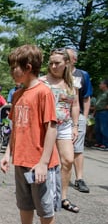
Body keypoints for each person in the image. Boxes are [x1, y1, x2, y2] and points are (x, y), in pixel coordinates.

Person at [0, 44, 62, 224]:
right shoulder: (17, 95)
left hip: (40, 163)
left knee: (44, 204)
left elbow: (52, 128)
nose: (11, 72)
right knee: (24, 202)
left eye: (13, 67)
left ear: (27, 67)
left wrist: (44, 162)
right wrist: (8, 153)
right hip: (22, 160)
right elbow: (15, 128)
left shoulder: (43, 92)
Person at [40, 48, 80, 213]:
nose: (53, 66)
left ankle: (62, 197)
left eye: (57, 63)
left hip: (64, 125)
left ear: (67, 63)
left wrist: (75, 126)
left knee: (68, 160)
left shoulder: (72, 82)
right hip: (46, 125)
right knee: (45, 160)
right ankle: (41, 195)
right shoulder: (42, 81)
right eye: (51, 63)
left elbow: (75, 105)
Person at [66, 48, 93, 193]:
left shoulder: (82, 75)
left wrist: (85, 117)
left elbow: (86, 97)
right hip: (60, 116)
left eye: (68, 57)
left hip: (78, 115)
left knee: (77, 148)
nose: (65, 60)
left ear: (74, 60)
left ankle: (79, 178)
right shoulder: (57, 74)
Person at [93, 79, 108, 150]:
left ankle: (105, 144)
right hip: (98, 112)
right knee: (97, 128)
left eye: (101, 84)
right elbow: (97, 104)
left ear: (105, 85)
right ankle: (98, 142)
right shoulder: (100, 93)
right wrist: (94, 112)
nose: (99, 85)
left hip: (104, 112)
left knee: (104, 128)